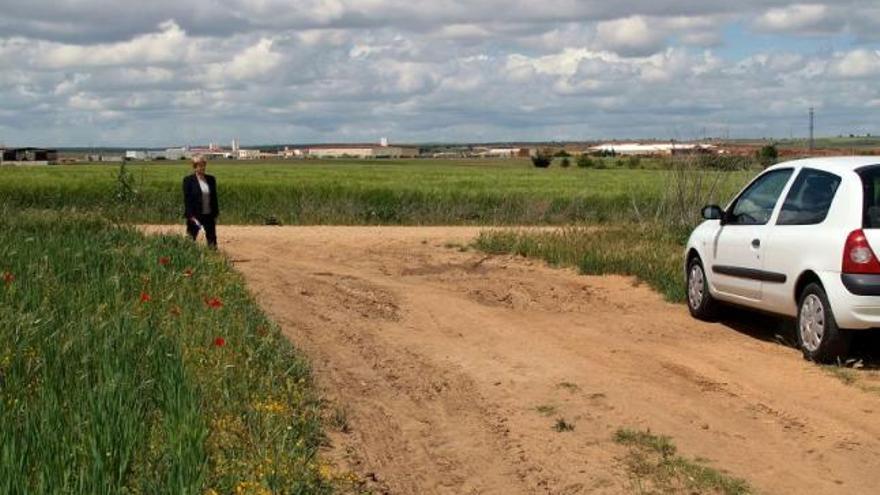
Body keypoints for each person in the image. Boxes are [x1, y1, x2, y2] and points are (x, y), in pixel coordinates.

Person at [182, 155, 219, 248]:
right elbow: (187, 200)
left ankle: (213, 259)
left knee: (212, 239)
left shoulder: (211, 179)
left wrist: (215, 213)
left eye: (204, 165)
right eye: (200, 165)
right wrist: (190, 216)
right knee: (190, 239)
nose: (202, 167)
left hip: (209, 214)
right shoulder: (188, 180)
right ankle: (187, 258)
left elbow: (214, 197)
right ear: (195, 167)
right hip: (195, 215)